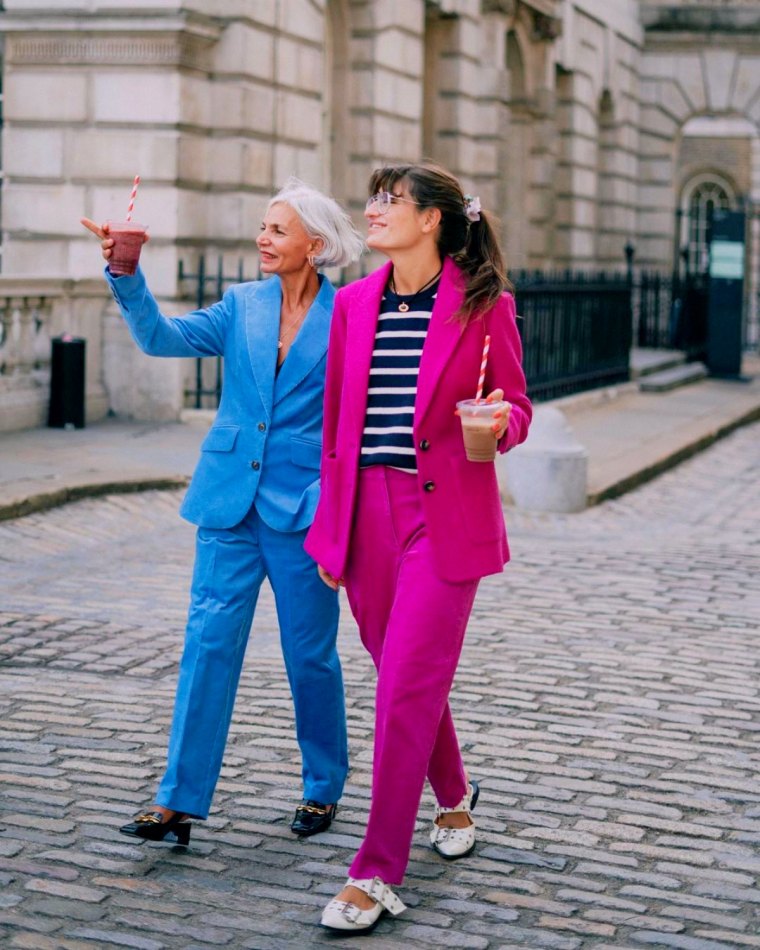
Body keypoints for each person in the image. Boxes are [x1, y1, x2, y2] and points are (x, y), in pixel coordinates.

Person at [81, 178, 364, 845]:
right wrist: (125, 270)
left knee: (310, 655)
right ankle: (178, 798)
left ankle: (323, 787)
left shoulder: (350, 317)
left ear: (314, 246)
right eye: (263, 227)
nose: (262, 240)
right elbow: (160, 338)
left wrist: (343, 519)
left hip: (305, 512)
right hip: (228, 504)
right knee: (207, 646)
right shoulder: (242, 305)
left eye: (277, 230)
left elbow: (353, 427)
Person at [304, 162, 532, 932]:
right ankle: (456, 793)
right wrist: (332, 529)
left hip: (443, 520)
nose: (372, 211)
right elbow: (337, 430)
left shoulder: (482, 305)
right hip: (367, 514)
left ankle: (375, 872)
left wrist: (501, 423)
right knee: (404, 671)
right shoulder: (353, 304)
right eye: (372, 198)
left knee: (403, 684)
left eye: (390, 200)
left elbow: (518, 404)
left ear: (432, 219)